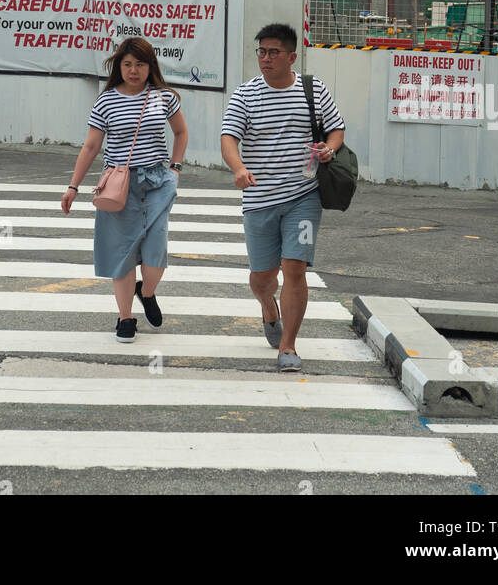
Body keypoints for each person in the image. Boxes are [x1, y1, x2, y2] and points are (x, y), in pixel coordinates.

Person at [220, 23, 345, 372]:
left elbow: (336, 127)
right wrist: (239, 168)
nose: (266, 58)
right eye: (261, 51)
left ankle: (288, 345)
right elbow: (228, 137)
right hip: (259, 199)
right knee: (263, 277)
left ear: (292, 57)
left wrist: (329, 150)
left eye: (274, 52)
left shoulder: (312, 89)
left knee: (294, 268)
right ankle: (267, 305)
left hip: (303, 196)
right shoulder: (245, 95)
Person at [61, 36, 189, 342]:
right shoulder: (106, 101)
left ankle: (146, 292)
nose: (134, 70)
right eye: (128, 64)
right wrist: (73, 187)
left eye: (140, 64)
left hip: (158, 183)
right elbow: (92, 145)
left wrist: (175, 169)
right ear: (119, 66)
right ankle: (125, 317)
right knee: (123, 253)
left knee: (155, 254)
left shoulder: (163, 97)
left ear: (150, 67)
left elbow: (181, 132)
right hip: (119, 186)